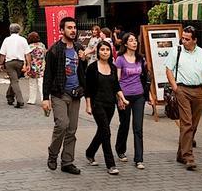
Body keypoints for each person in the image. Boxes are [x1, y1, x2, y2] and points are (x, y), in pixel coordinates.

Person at [42, 17, 87, 174]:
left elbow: (82, 72)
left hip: (75, 94)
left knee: (72, 129)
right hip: (59, 94)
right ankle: (53, 154)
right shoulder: (54, 50)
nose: (73, 30)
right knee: (62, 124)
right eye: (69, 27)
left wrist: (84, 60)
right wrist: (45, 98)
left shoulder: (79, 48)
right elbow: (47, 75)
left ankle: (67, 162)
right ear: (62, 30)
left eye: (74, 27)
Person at [165, 26, 202, 171]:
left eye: (187, 39)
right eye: (183, 38)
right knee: (186, 122)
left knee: (193, 125)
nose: (183, 41)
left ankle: (181, 153)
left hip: (198, 90)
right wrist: (175, 88)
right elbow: (168, 69)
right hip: (182, 90)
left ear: (195, 40)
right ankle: (188, 156)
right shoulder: (177, 51)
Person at [84, 42, 128, 175]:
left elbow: (116, 86)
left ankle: (90, 152)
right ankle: (111, 164)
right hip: (97, 104)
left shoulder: (113, 67)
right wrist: (88, 105)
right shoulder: (92, 68)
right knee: (106, 132)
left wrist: (123, 98)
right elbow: (88, 89)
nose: (105, 52)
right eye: (102, 50)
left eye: (107, 50)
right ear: (98, 52)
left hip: (110, 104)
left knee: (102, 131)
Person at [115, 32, 150, 169]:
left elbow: (146, 77)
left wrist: (149, 96)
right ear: (125, 44)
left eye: (135, 40)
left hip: (138, 95)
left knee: (138, 127)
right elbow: (117, 80)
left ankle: (139, 159)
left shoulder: (140, 59)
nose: (134, 42)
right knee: (124, 124)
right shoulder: (120, 59)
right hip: (124, 96)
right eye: (131, 40)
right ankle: (120, 149)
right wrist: (119, 98)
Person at [0, 23, 31, 108]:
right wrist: (28, 64)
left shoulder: (6, 40)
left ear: (10, 30)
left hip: (9, 63)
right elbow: (27, 54)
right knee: (14, 80)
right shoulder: (23, 39)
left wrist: (1, 63)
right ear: (19, 30)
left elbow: (2, 54)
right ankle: (9, 97)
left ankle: (20, 100)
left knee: (14, 81)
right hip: (20, 63)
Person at [26, 32, 46, 106]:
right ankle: (43, 98)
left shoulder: (29, 47)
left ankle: (32, 99)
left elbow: (28, 57)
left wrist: (27, 65)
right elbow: (45, 54)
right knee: (41, 83)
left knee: (32, 84)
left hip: (33, 66)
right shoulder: (42, 45)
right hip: (41, 66)